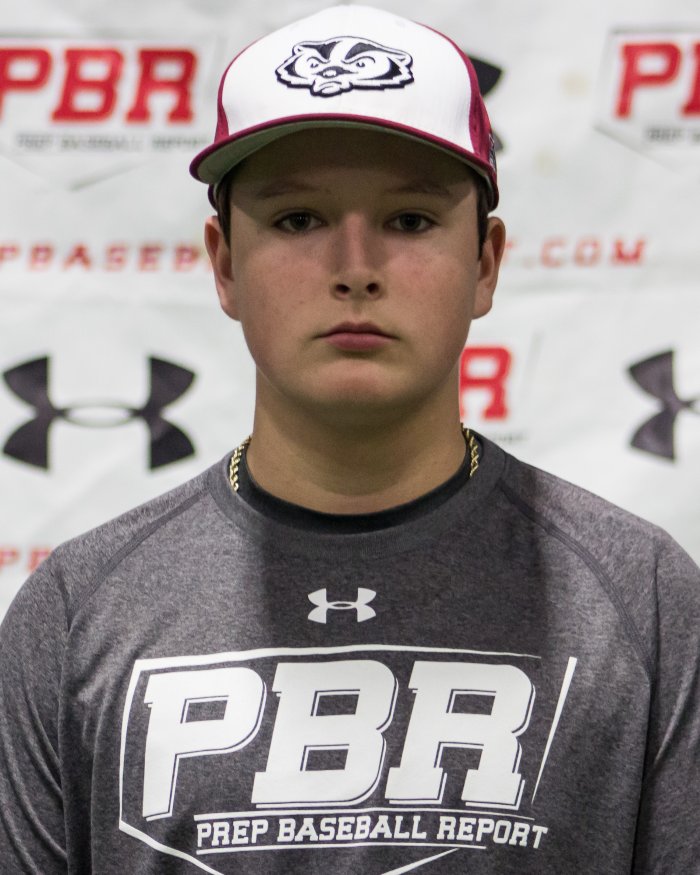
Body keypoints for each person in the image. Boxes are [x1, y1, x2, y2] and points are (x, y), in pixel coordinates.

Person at [1, 5, 698, 873]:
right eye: (298, 219)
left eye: (410, 220)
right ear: (225, 262)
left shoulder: (643, 599)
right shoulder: (77, 611)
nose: (356, 267)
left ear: (485, 263)